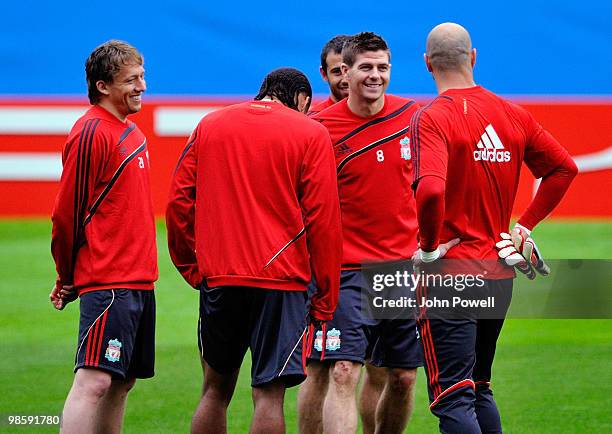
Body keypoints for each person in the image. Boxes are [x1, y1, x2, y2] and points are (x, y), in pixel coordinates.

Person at [410, 23, 578, 433]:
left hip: (451, 274)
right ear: (474, 57)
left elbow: (430, 191)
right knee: (480, 388)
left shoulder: (431, 117)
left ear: (427, 63)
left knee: (453, 397)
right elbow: (563, 168)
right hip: (498, 272)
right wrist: (525, 225)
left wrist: (430, 250)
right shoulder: (511, 113)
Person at [166, 67, 342, 434]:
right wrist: (326, 294)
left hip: (220, 278)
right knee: (268, 395)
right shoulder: (311, 132)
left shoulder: (210, 124)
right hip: (283, 284)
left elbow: (179, 202)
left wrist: (190, 266)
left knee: (214, 391)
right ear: (302, 100)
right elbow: (323, 220)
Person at [300, 32, 450, 434]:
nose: (375, 75)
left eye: (382, 67)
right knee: (343, 371)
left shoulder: (415, 117)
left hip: (402, 270)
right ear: (344, 73)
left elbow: (438, 183)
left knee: (402, 377)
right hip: (344, 271)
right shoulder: (317, 129)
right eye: (366, 67)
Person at [50, 40, 158, 434]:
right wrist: (67, 277)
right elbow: (66, 215)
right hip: (109, 279)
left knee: (122, 381)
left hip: (139, 279)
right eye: (131, 80)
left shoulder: (132, 133)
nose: (142, 86)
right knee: (94, 380)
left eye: (142, 77)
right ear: (102, 86)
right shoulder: (92, 131)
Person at [307, 35, 351, 116]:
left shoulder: (382, 116)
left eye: (350, 70)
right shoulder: (313, 121)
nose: (345, 80)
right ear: (324, 74)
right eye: (337, 71)